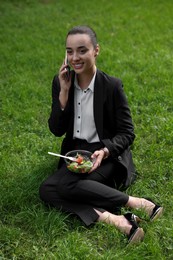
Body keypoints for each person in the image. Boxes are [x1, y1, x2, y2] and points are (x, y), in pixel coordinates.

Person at [39, 25, 163, 243]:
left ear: (96, 50)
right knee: (47, 190)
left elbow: (127, 133)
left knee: (64, 186)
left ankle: (137, 203)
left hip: (106, 156)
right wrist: (64, 93)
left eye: (82, 50)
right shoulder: (61, 82)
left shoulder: (112, 86)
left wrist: (105, 151)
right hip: (76, 155)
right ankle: (117, 220)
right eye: (70, 51)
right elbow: (56, 130)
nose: (75, 57)